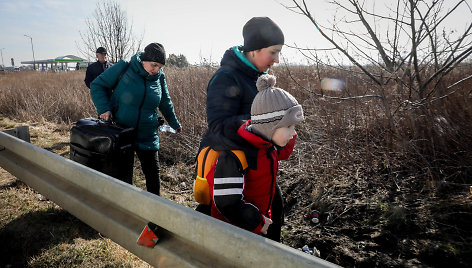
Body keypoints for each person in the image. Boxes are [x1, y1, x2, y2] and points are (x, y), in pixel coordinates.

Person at [197, 16, 286, 241]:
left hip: (260, 165)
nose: (276, 60)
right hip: (233, 169)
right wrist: (260, 127)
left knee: (274, 216)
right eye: (273, 52)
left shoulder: (259, 78)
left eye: (279, 53)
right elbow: (217, 127)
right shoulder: (226, 77)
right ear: (255, 49)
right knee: (235, 225)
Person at [209, 74, 304, 240]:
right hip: (234, 233)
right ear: (269, 127)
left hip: (257, 226)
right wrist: (257, 222)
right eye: (289, 126)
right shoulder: (235, 154)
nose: (294, 132)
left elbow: (284, 151)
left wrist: (289, 130)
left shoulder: (266, 145)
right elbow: (227, 202)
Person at [90, 42, 182, 196]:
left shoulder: (159, 78)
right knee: (124, 177)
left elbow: (165, 102)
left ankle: (155, 216)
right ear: (144, 60)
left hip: (148, 133)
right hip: (122, 131)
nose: (156, 70)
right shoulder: (125, 67)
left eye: (160, 66)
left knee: (153, 176)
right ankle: (125, 212)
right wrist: (104, 108)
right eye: (154, 65)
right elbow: (97, 85)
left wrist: (175, 123)